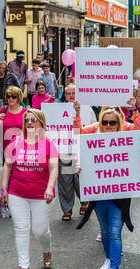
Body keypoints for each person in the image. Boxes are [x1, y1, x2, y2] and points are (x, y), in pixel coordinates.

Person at [74, 108, 140, 269]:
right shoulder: (93, 139)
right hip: (98, 196)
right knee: (105, 231)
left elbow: (136, 148)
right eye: (104, 122)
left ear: (118, 123)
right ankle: (108, 258)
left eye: (112, 122)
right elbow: (78, 139)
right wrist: (80, 167)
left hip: (119, 197)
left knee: (114, 232)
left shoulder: (126, 140)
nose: (108, 126)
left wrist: (139, 172)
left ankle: (114, 268)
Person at [0, 109, 59, 269]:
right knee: (21, 229)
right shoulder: (16, 142)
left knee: (40, 230)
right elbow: (7, 166)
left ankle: (46, 251)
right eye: (27, 120)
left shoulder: (49, 143)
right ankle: (23, 267)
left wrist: (50, 187)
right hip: (17, 193)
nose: (30, 122)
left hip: (42, 194)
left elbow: (54, 168)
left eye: (33, 119)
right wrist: (4, 189)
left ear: (41, 122)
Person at [56, 84, 97, 222]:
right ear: (65, 96)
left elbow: (94, 129)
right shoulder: (56, 110)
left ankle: (84, 202)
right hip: (64, 151)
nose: (72, 95)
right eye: (69, 93)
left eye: (74, 93)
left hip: (81, 151)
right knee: (65, 181)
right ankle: (67, 209)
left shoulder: (87, 110)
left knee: (81, 180)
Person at [0, 86, 27, 156]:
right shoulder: (4, 109)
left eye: (13, 97)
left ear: (18, 97)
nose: (10, 99)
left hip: (20, 148)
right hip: (5, 148)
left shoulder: (25, 112)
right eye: (8, 96)